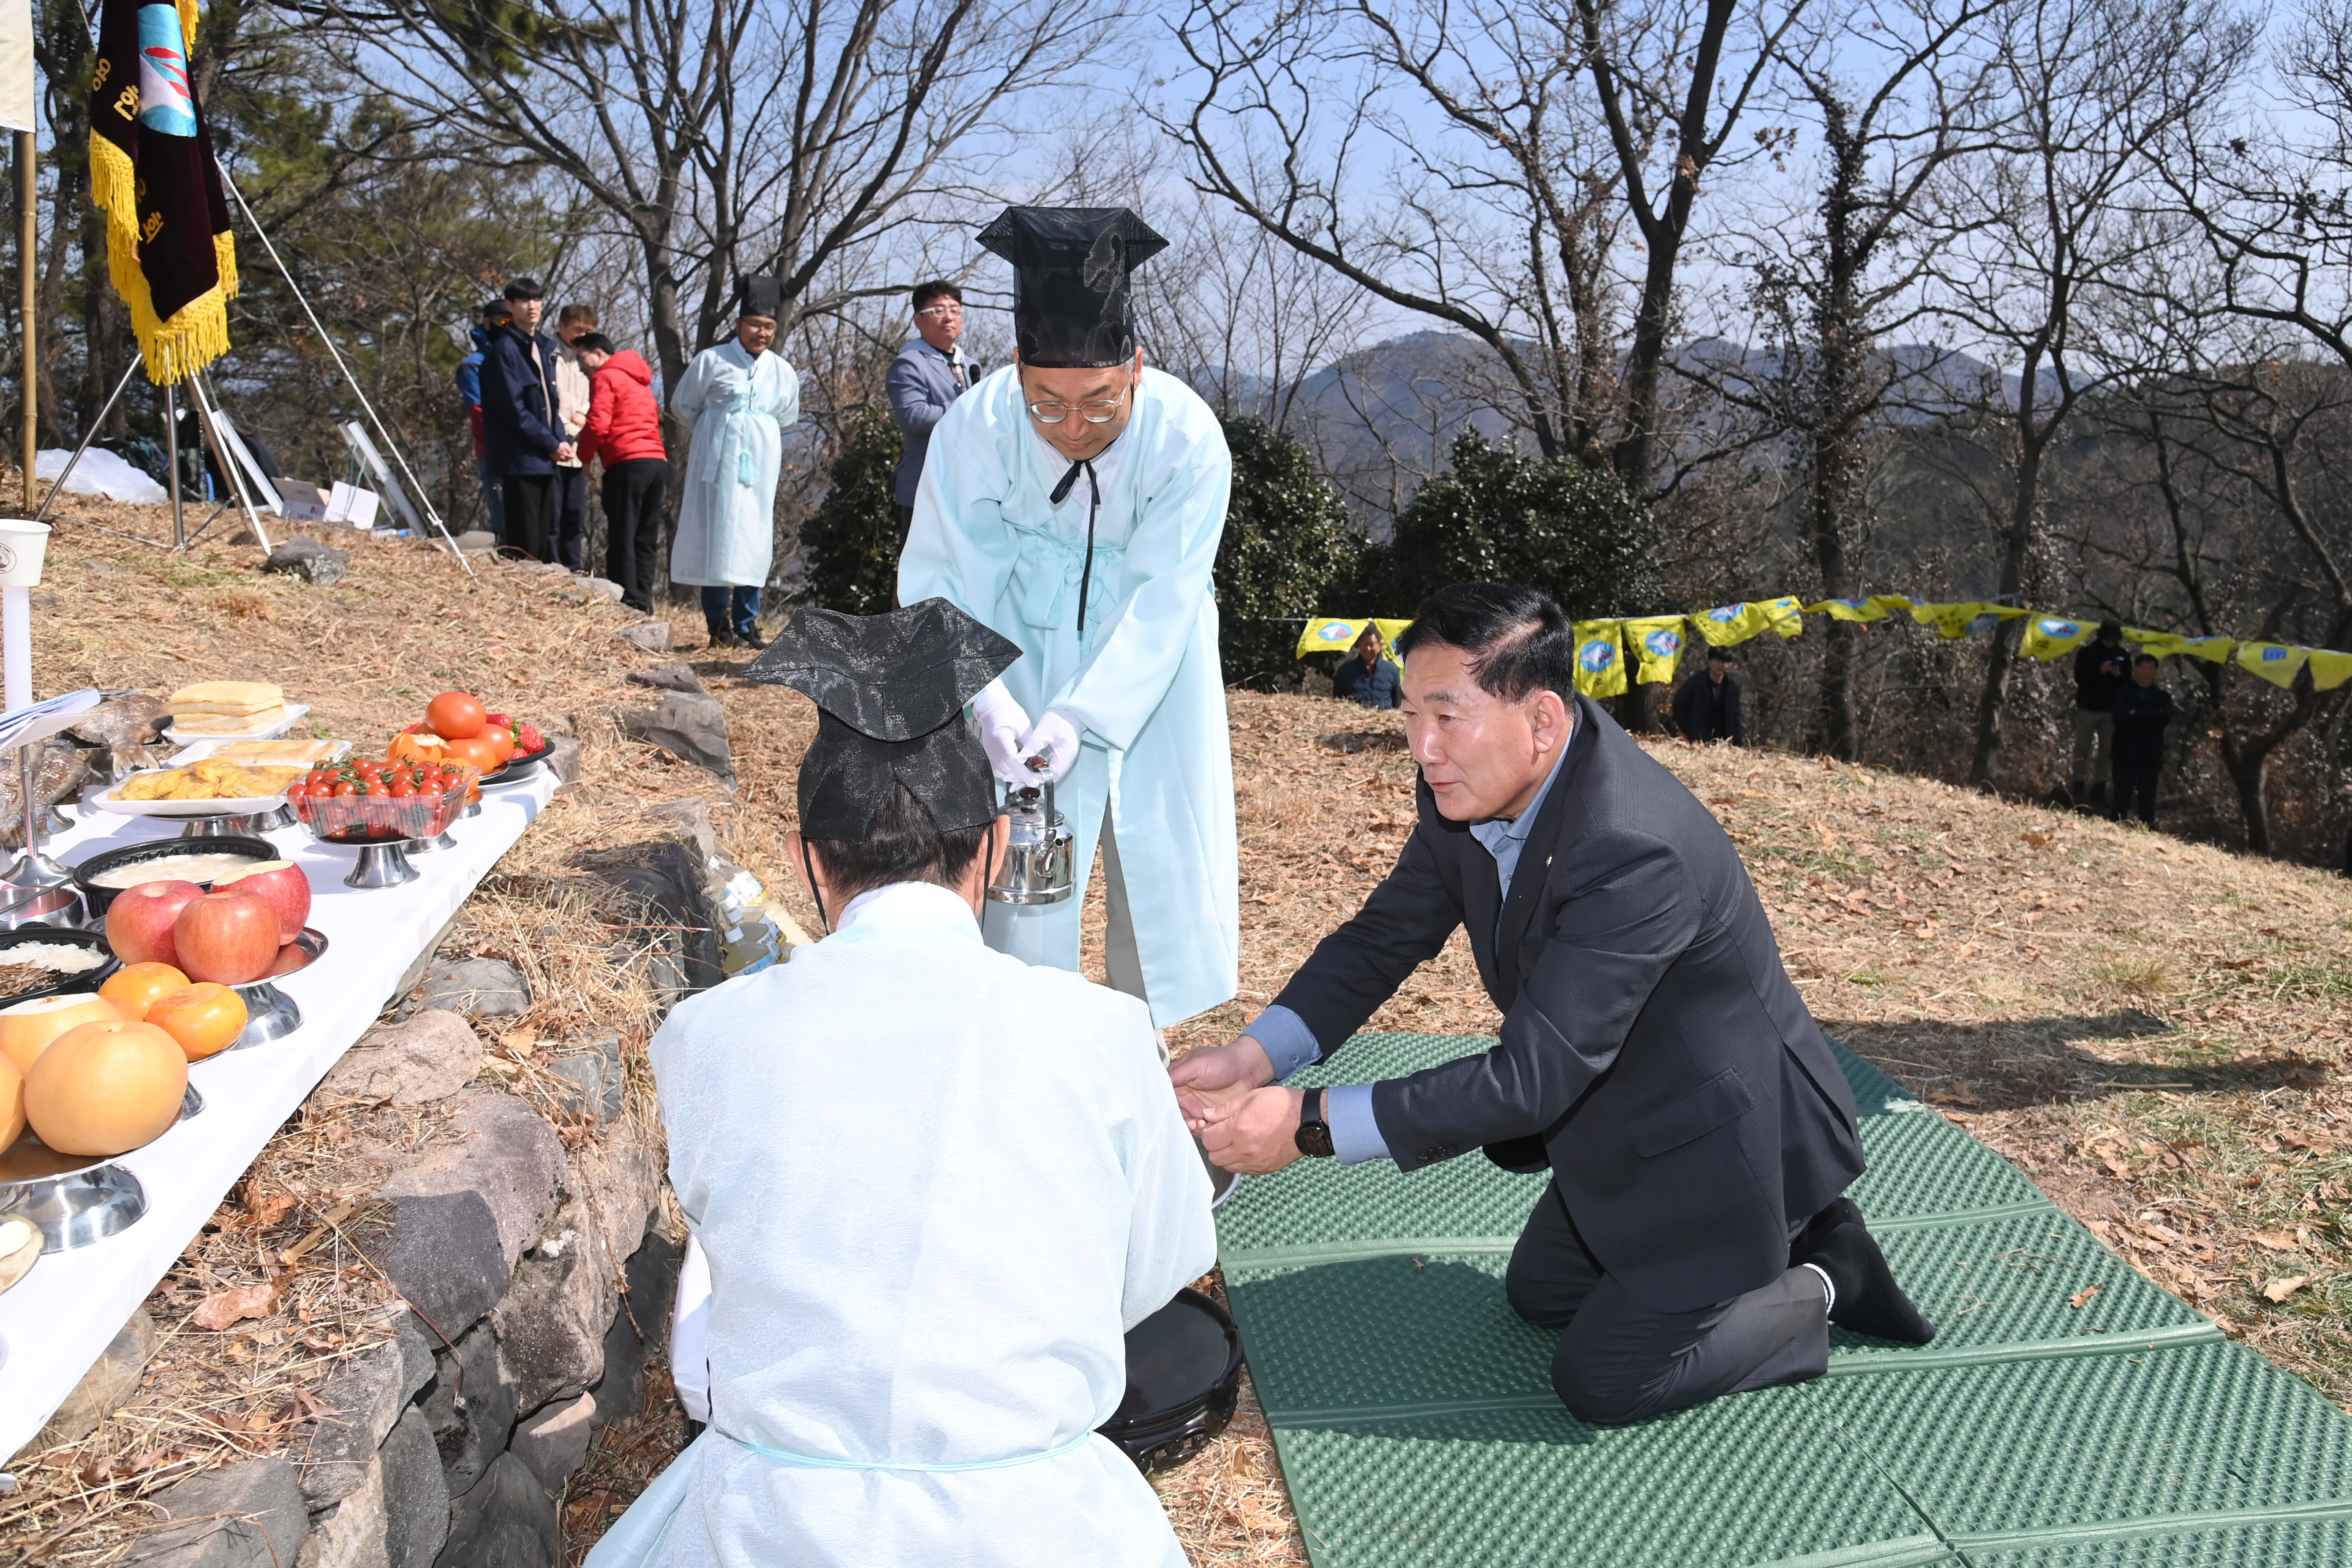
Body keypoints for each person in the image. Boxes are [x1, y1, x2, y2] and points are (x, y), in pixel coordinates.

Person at [1173, 582, 1934, 1427]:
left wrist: (1309, 1122)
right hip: (1613, 1110)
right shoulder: (1469, 786)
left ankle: (1828, 1271)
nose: (1422, 747)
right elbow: (1383, 937)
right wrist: (1254, 1056)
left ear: (1541, 720)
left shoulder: (1631, 845)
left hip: (1728, 1139)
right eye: (1411, 712)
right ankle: (1765, 1253)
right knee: (1541, 1293)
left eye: (1447, 715)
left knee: (1608, 1378)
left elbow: (1533, 1075)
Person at [588, 599, 1214, 1568]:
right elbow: (1152, 1269)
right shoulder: (1104, 1033)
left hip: (769, 1525)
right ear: (995, 853)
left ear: (808, 865)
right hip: (1037, 1527)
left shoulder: (703, 1037)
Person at [898, 206, 1239, 1029]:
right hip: (1015, 645)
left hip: (1152, 666)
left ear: (1138, 367)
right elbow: (943, 575)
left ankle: (1144, 1053)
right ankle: (1018, 1054)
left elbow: (1165, 593)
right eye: (1047, 404)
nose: (1074, 428)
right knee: (1019, 876)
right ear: (1015, 365)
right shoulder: (975, 426)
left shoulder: (1186, 436)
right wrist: (987, 698)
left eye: (1099, 403)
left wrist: (1088, 710)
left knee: (1156, 852)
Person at [673, 276, 800, 649]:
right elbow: (684, 405)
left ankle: (748, 622)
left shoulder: (782, 370)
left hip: (759, 466)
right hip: (716, 463)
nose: (762, 333)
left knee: (753, 539)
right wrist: (720, 430)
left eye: (769, 327)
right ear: (740, 324)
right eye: (755, 325)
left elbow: (787, 415)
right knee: (715, 536)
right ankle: (717, 623)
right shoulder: (711, 360)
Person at [574, 332, 668, 615]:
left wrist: (584, 458)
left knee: (623, 533)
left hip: (627, 462)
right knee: (646, 536)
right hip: (657, 461)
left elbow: (599, 423)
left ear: (599, 353)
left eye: (582, 358)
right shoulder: (640, 381)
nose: (582, 366)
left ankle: (626, 600)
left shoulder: (605, 377)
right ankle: (644, 600)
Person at [479, 277, 573, 561]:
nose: (532, 306)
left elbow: (549, 403)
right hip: (520, 458)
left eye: (537, 299)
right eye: (524, 300)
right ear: (510, 306)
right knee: (526, 540)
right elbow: (514, 410)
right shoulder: (505, 350)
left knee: (546, 535)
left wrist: (560, 440)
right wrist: (551, 443)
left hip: (544, 456)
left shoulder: (542, 347)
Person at [886, 280, 975, 536]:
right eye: (938, 311)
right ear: (918, 320)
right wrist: (967, 407)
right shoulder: (909, 364)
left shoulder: (970, 365)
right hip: (925, 488)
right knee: (925, 572)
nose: (949, 317)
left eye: (955, 310)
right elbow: (913, 417)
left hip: (969, 490)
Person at [454, 299, 510, 540]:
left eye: (512, 320)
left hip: (528, 453)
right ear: (487, 323)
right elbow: (479, 414)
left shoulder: (521, 359)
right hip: (494, 451)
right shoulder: (473, 366)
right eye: (502, 320)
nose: (507, 326)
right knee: (503, 517)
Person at [552, 303, 598, 571]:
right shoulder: (549, 355)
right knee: (554, 511)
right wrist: (570, 424)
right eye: (577, 330)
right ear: (562, 327)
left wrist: (584, 418)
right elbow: (553, 398)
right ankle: (554, 563)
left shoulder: (590, 358)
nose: (582, 336)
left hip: (581, 447)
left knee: (575, 512)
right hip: (557, 443)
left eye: (588, 331)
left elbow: (595, 397)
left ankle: (574, 565)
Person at [2071, 620, 2130, 807]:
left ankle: (2100, 786)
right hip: (2088, 708)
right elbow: (2080, 678)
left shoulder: (2123, 656)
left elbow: (2128, 684)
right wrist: (2100, 671)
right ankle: (2078, 783)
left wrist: (2117, 675)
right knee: (2082, 747)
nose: (2111, 642)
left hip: (2111, 710)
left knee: (2107, 750)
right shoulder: (2087, 653)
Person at [2110, 653, 2174, 827]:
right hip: (2124, 753)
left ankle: (2148, 829)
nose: (2146, 673)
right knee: (2121, 797)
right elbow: (2120, 718)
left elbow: (2163, 719)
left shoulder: (2163, 697)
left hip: (2150, 755)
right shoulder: (2123, 693)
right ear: (2135, 670)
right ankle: (2117, 828)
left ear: (2155, 671)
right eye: (2142, 668)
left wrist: (2137, 714)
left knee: (2148, 799)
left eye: (2150, 668)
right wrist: (2149, 718)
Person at [1671, 645, 1745, 743]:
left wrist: (1738, 743)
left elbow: (1737, 717)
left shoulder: (1732, 687)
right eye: (1717, 661)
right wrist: (1689, 729)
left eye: (1724, 662)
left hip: (1725, 741)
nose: (1720, 665)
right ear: (1709, 661)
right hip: (1700, 739)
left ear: (1729, 665)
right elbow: (1679, 704)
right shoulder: (1696, 683)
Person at [1331, 623, 1402, 709]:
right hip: (1355, 720)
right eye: (1365, 644)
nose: (1368, 649)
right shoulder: (1345, 671)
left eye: (1372, 645)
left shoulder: (1392, 670)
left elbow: (1397, 701)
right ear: (1359, 645)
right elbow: (1338, 700)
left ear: (1380, 646)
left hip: (1385, 720)